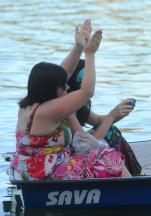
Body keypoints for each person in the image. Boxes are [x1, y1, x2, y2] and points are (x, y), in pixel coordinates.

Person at [10, 19, 131, 180]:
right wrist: (90, 54)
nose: (67, 88)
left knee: (102, 147)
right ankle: (135, 189)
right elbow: (87, 92)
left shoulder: (31, 104)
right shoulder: (48, 111)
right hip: (44, 174)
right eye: (63, 86)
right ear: (51, 88)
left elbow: (62, 73)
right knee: (107, 155)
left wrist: (78, 47)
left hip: (30, 170)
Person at [68, 59, 142, 176]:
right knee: (110, 134)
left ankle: (135, 174)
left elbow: (98, 120)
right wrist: (112, 116)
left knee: (112, 130)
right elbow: (88, 145)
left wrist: (119, 111)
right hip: (74, 155)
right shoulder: (67, 109)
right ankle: (133, 177)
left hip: (82, 148)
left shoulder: (79, 105)